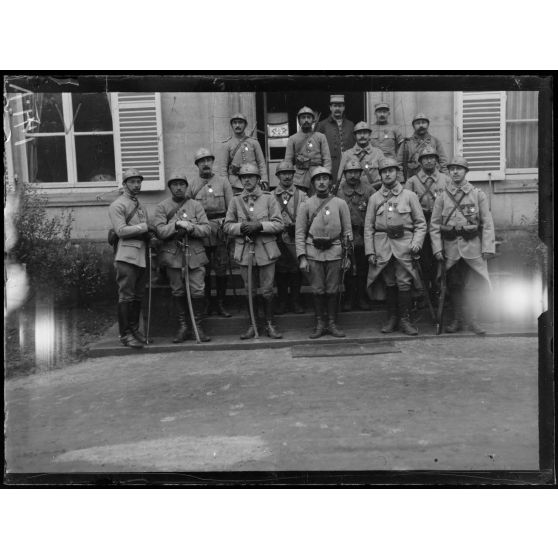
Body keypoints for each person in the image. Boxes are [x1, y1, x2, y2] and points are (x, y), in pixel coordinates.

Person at [430, 156, 496, 335]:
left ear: (466, 172)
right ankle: (457, 320)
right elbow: (434, 225)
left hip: (473, 249)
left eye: (459, 169)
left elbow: (487, 223)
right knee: (454, 285)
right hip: (451, 250)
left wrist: (488, 248)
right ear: (449, 172)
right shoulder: (442, 196)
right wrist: (437, 248)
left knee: (474, 286)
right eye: (452, 169)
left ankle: (473, 321)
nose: (455, 172)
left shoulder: (477, 194)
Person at [364, 158, 427, 336]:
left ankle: (405, 319)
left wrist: (416, 243)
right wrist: (370, 250)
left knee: (404, 281)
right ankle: (392, 318)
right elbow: (368, 227)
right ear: (380, 174)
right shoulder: (374, 198)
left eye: (391, 171)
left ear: (397, 173)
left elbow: (421, 224)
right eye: (384, 171)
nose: (388, 174)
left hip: (404, 246)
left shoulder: (409, 196)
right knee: (389, 282)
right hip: (382, 246)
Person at [223, 163, 284, 339]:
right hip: (244, 252)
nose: (247, 180)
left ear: (258, 179)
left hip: (266, 251)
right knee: (250, 290)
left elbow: (279, 224)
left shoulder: (269, 198)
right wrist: (242, 227)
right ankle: (252, 325)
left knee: (267, 290)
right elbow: (227, 226)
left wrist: (260, 225)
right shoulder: (235, 201)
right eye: (243, 177)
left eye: (251, 177)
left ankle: (270, 324)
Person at [152, 171, 212, 343]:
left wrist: (191, 227)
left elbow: (207, 229)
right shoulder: (162, 207)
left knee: (198, 291)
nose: (178, 187)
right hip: (173, 257)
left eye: (182, 184)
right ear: (170, 187)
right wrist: (176, 224)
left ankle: (197, 326)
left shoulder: (196, 205)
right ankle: (183, 326)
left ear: (186, 187)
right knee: (178, 290)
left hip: (195, 255)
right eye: (175, 184)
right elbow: (160, 231)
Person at [295, 166, 352, 339]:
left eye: (325, 178)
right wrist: (302, 257)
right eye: (317, 179)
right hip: (313, 252)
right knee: (318, 290)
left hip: (335, 251)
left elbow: (347, 231)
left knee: (333, 290)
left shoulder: (340, 204)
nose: (321, 182)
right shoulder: (306, 204)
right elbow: (299, 232)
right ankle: (320, 323)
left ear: (330, 181)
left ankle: (333, 324)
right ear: (312, 183)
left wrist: (347, 256)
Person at [187, 147, 234, 318]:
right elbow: (187, 209)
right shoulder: (192, 185)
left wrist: (227, 225)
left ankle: (221, 303)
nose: (205, 164)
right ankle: (207, 303)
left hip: (220, 231)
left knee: (221, 269)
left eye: (208, 160)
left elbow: (232, 208)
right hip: (201, 232)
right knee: (203, 269)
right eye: (202, 161)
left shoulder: (223, 182)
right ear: (197, 165)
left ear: (212, 162)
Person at [108, 168, 151, 349]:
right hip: (126, 256)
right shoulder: (118, 205)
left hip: (141, 255)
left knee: (138, 295)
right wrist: (144, 227)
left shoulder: (140, 206)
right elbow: (120, 230)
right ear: (124, 184)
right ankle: (125, 334)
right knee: (126, 295)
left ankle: (134, 330)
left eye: (138, 181)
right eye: (132, 181)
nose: (136, 184)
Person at [404, 145, 451, 302]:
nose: (429, 161)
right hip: (421, 226)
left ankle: (440, 293)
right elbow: (406, 207)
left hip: (440, 226)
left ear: (437, 161)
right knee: (423, 262)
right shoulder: (412, 182)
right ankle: (424, 294)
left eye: (432, 157)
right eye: (425, 158)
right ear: (420, 162)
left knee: (440, 260)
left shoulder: (447, 180)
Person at [337, 159, 375, 311]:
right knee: (347, 268)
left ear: (361, 173)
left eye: (356, 172)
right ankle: (349, 297)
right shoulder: (338, 192)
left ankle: (362, 297)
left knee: (362, 268)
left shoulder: (369, 190)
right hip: (344, 236)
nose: (353, 175)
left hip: (363, 235)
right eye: (349, 172)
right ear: (345, 174)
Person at [273, 161, 308, 314]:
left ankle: (295, 301)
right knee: (280, 271)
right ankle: (282, 301)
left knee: (295, 270)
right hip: (278, 238)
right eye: (283, 173)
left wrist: (299, 226)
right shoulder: (271, 196)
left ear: (293, 175)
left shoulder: (302, 195)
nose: (286, 176)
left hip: (295, 238)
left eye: (289, 173)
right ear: (278, 176)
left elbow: (309, 215)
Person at [284, 106, 332, 195]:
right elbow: (288, 162)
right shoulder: (293, 139)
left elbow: (327, 159)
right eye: (303, 117)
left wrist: (325, 176)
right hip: (298, 179)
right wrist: (289, 177)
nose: (306, 120)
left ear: (313, 120)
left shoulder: (320, 137)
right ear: (299, 121)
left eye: (309, 117)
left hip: (317, 176)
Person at [218, 112, 268, 192]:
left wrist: (264, 179)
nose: (237, 125)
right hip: (235, 184)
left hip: (254, 182)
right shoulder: (227, 144)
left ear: (245, 125)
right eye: (235, 123)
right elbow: (223, 168)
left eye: (240, 122)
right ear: (232, 125)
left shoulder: (254, 142)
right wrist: (225, 186)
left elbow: (261, 163)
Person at [315, 94, 355, 184]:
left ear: (344, 107)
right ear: (330, 108)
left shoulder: (351, 125)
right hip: (330, 166)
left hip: (348, 166)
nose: (337, 108)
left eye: (340, 106)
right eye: (335, 106)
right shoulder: (322, 125)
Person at [398, 112, 448, 180]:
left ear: (428, 125)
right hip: (413, 179)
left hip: (433, 180)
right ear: (413, 126)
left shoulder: (435, 141)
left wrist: (445, 179)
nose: (421, 125)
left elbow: (443, 162)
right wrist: (401, 180)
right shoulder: (406, 143)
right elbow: (399, 164)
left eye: (423, 122)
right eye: (418, 123)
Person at [337, 121, 384, 191]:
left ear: (370, 135)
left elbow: (385, 175)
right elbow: (341, 179)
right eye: (359, 133)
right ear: (355, 136)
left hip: (375, 192)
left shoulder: (378, 153)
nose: (362, 136)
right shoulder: (347, 154)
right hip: (353, 194)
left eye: (365, 133)